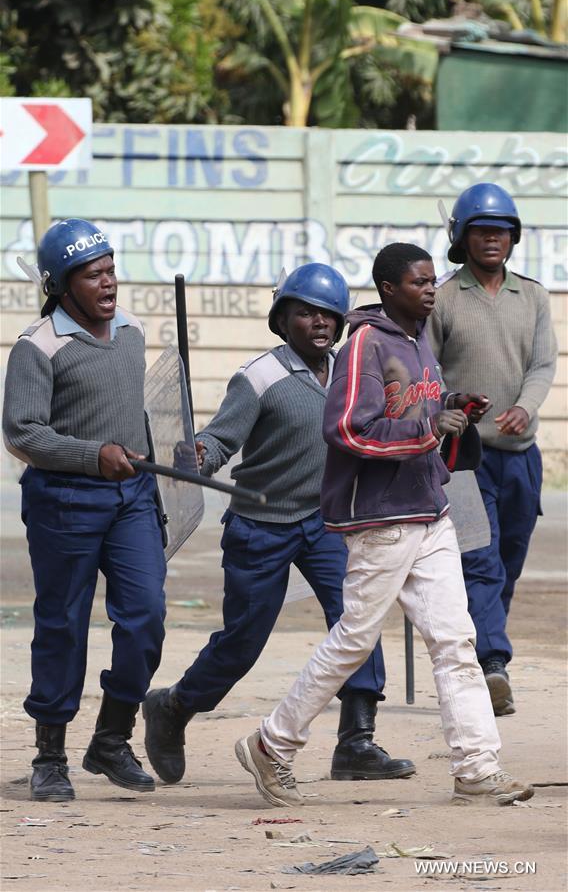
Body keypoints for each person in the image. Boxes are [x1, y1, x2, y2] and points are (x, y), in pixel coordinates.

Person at [234, 243, 534, 808]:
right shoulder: (364, 346)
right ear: (389, 289)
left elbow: (415, 403)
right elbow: (346, 427)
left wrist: (452, 403)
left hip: (429, 510)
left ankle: (476, 766)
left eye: (432, 282)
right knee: (353, 641)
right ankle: (271, 743)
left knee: (455, 640)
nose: (431, 290)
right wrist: (427, 425)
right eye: (419, 283)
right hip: (381, 520)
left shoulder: (420, 337)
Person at [143, 263, 414, 786]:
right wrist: (197, 454)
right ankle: (174, 706)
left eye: (328, 315)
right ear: (282, 319)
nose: (318, 323)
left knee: (358, 617)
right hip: (260, 524)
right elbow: (221, 439)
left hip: (329, 521)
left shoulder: (352, 372)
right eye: (304, 312)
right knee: (244, 640)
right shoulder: (258, 377)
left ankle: (357, 741)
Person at [2, 219, 167, 802]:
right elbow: (21, 435)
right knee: (62, 625)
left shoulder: (132, 332)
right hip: (63, 501)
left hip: (130, 500)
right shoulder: (37, 345)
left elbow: (129, 414)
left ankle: (112, 739)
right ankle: (50, 756)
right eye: (93, 275)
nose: (108, 283)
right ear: (60, 285)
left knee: (146, 617)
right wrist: (93, 456)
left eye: (111, 269)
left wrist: (139, 462)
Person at [430, 183, 557, 716]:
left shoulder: (533, 296)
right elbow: (425, 372)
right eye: (481, 230)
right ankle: (493, 662)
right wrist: (447, 407)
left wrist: (526, 406)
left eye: (501, 231)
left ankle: (485, 655)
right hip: (464, 457)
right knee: (480, 562)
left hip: (522, 457)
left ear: (513, 238)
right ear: (461, 237)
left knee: (508, 561)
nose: (492, 239)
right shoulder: (440, 297)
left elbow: (543, 365)